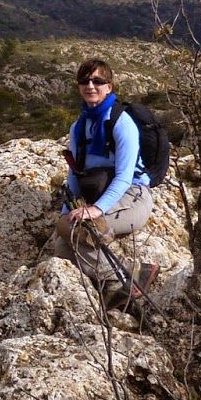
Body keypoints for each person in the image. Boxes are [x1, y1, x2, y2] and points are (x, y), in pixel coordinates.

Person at [48, 58, 157, 294]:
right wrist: (66, 216)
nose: (90, 86)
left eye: (98, 81)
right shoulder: (79, 127)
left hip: (133, 197)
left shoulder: (121, 123)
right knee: (63, 249)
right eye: (84, 81)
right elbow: (75, 174)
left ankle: (124, 280)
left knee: (76, 232)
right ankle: (125, 280)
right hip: (99, 195)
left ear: (109, 86)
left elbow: (125, 176)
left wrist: (96, 209)